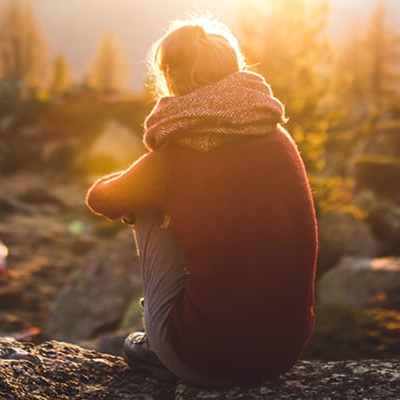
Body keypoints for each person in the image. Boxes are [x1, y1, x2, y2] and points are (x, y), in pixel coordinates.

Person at [85, 15, 318, 387]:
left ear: (172, 79)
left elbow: (102, 199)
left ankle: (161, 339)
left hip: (204, 360)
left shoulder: (178, 154)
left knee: (144, 204)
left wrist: (149, 183)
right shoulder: (277, 137)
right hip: (282, 355)